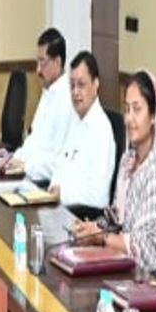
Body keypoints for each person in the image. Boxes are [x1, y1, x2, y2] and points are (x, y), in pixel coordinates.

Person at [73, 70, 156, 272]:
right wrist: (92, 229)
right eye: (127, 109)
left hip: (155, 274)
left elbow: (146, 246)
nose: (129, 118)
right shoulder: (128, 161)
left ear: (154, 116)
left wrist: (102, 238)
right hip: (124, 262)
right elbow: (116, 218)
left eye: (137, 109)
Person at [0, 28, 73, 182]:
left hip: (44, 183)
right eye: (37, 62)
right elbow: (34, 141)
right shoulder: (48, 92)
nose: (38, 70)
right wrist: (12, 158)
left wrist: (24, 166)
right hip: (29, 174)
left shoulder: (67, 101)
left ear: (57, 62)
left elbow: (58, 163)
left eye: (42, 62)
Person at [48, 50, 115, 211]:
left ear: (96, 84)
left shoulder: (101, 130)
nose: (75, 92)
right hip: (58, 207)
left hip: (80, 216)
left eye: (81, 85)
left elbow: (99, 196)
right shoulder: (75, 121)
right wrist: (53, 188)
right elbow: (60, 166)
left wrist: (62, 193)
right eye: (72, 85)